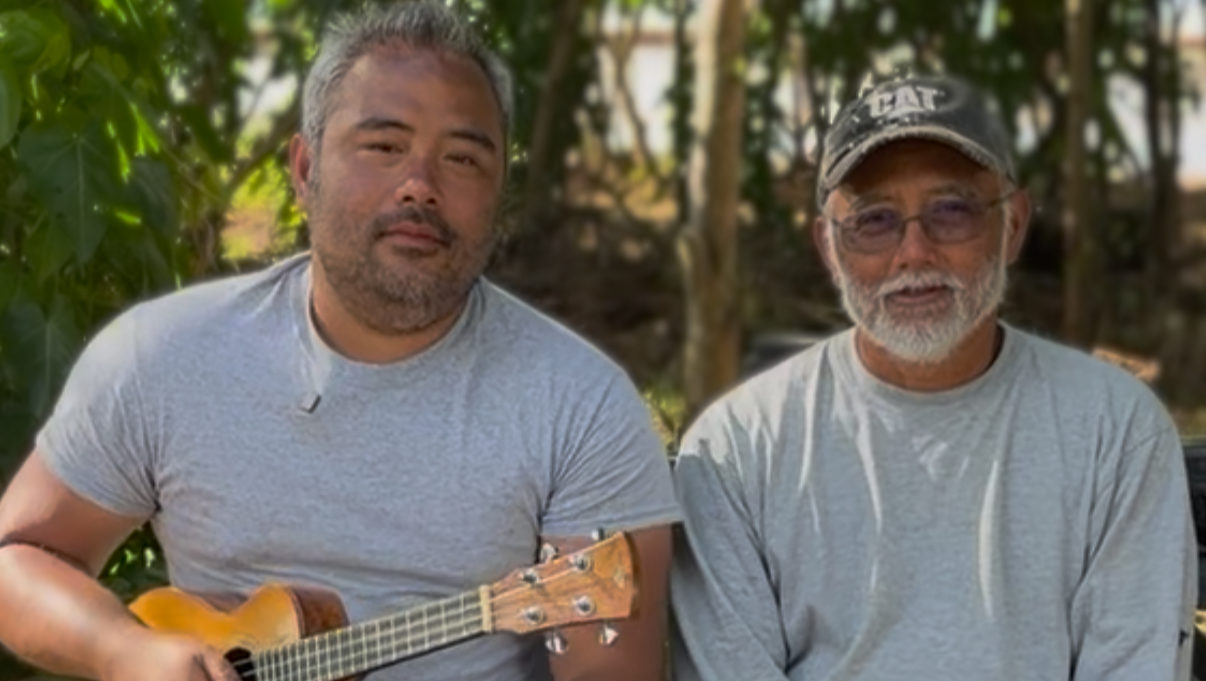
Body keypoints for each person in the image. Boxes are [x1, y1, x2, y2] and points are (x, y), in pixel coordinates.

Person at [0, 3, 680, 681]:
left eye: (464, 158)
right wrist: (123, 649)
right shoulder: (161, 355)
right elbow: (16, 556)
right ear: (303, 170)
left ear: (500, 193)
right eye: (383, 146)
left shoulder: (580, 406)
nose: (421, 186)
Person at [669, 73, 1198, 681]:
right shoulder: (736, 450)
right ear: (828, 248)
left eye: (952, 210)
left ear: (1014, 226)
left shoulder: (1116, 432)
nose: (914, 253)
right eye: (873, 220)